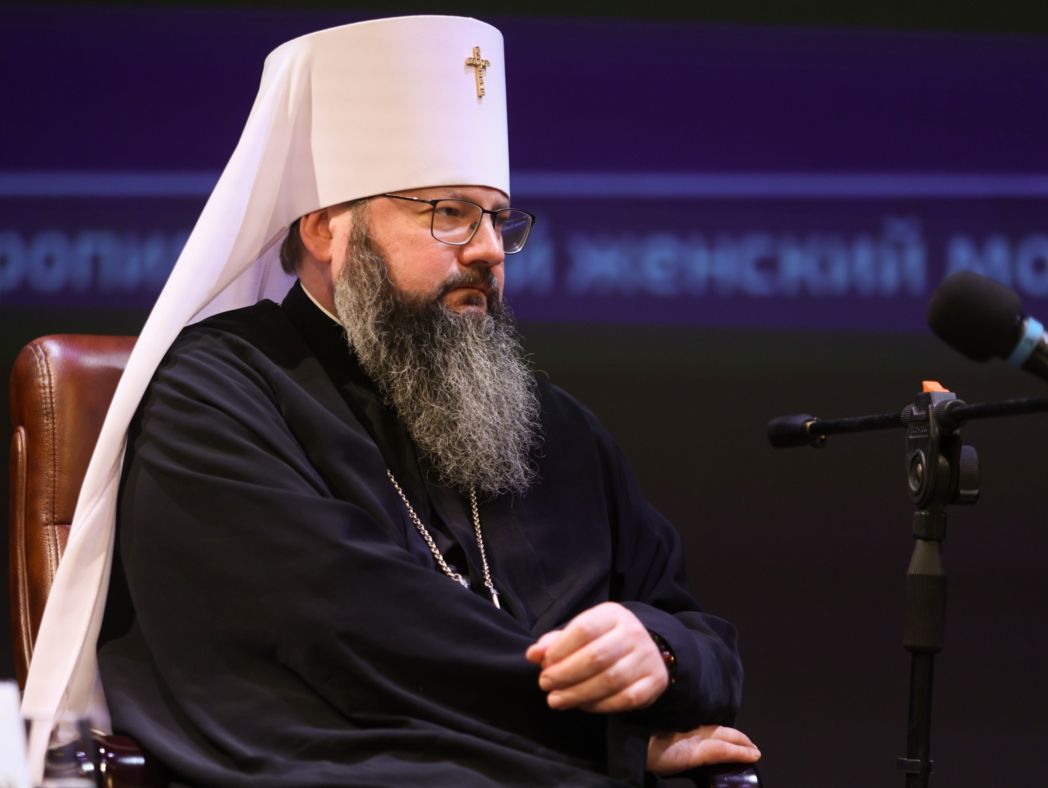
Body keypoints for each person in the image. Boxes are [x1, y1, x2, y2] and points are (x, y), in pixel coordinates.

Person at [23, 15, 758, 786]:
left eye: (497, 219)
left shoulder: (555, 429)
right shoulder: (213, 394)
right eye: (449, 213)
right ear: (324, 230)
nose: (487, 249)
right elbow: (347, 629)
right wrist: (611, 741)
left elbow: (696, 631)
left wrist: (659, 652)